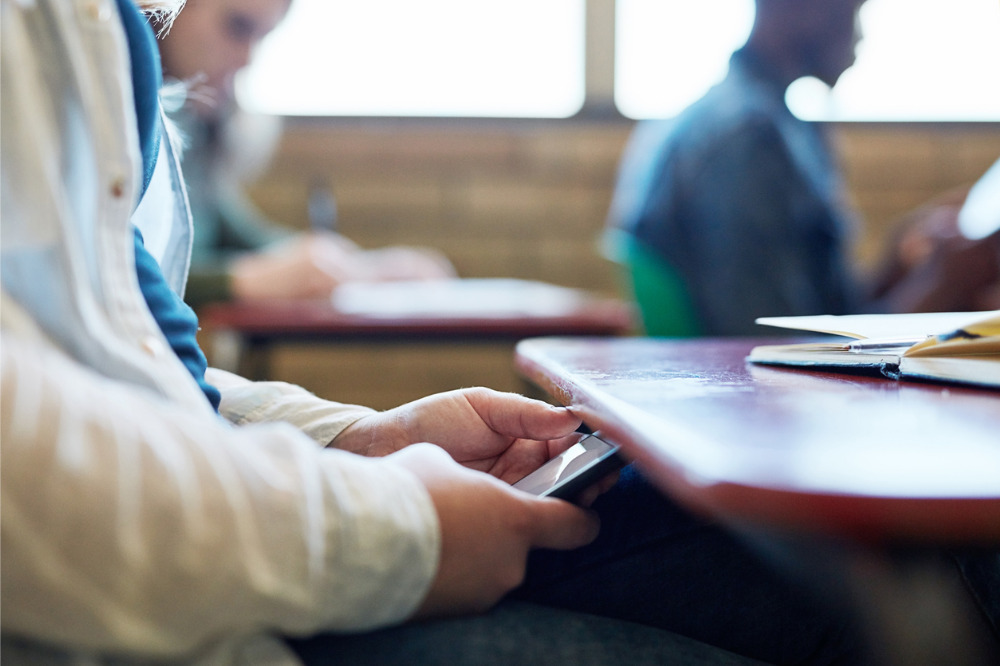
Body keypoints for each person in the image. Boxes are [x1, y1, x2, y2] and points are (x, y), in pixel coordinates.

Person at [3, 1, 996, 665]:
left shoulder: (106, 41)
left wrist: (355, 436)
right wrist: (404, 527)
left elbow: (125, 367)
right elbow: (34, 486)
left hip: (234, 541)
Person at [605, 0, 1000, 337]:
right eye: (853, 11)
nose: (860, 36)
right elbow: (772, 345)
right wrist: (945, 286)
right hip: (746, 413)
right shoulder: (746, 139)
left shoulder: (763, 121)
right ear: (804, 8)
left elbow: (822, 313)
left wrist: (897, 263)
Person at [154, 0, 455, 308]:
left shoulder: (189, 121)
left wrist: (356, 266)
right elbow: (124, 274)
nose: (247, 58)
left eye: (262, 37)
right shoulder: (120, 118)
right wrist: (244, 280)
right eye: (238, 27)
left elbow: (234, 233)